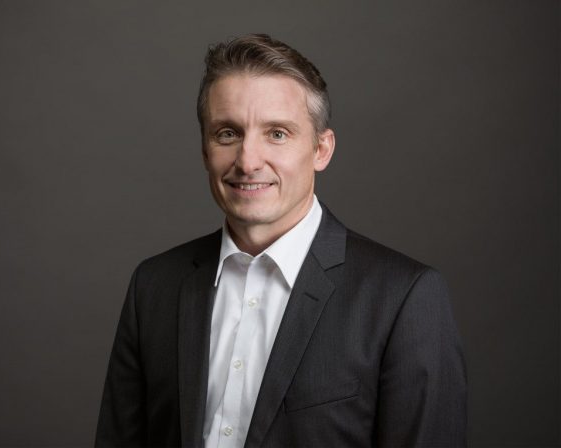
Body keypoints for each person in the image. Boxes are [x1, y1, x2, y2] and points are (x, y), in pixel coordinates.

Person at [95, 33, 467, 448]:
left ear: (321, 149)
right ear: (204, 150)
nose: (248, 161)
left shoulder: (403, 298)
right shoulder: (153, 286)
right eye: (227, 133)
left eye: (277, 134)